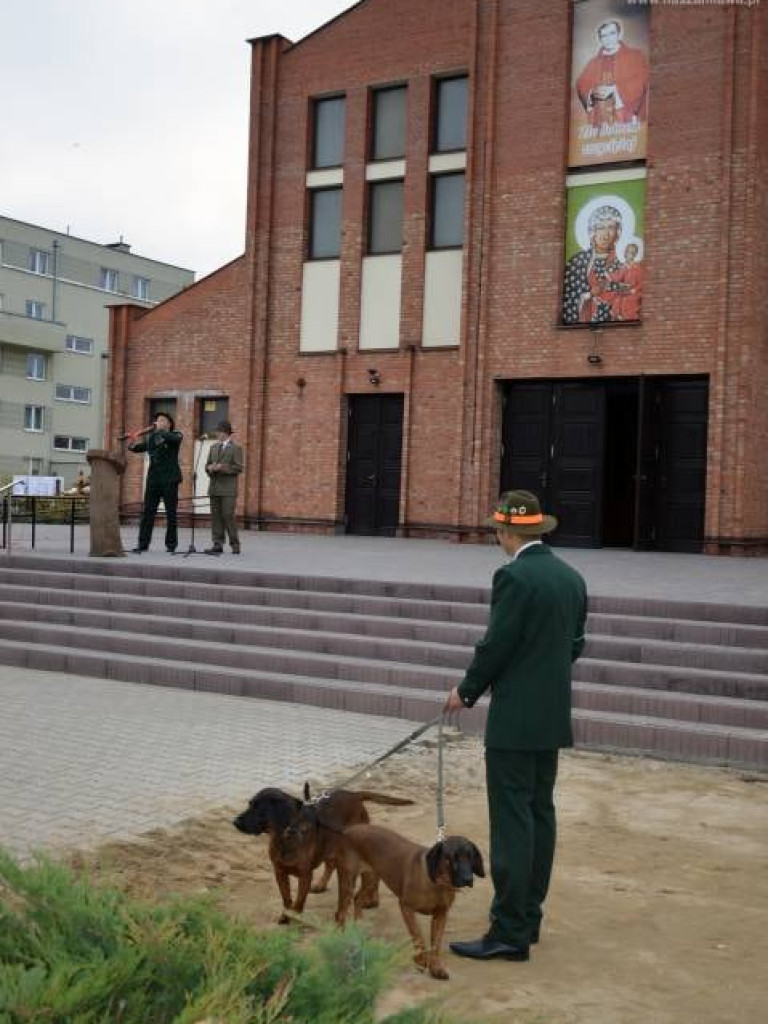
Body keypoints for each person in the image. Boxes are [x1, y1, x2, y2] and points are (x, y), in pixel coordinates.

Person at [445, 490, 588, 963]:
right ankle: (528, 916)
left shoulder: (513, 577)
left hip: (514, 719)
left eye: (497, 531)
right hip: (551, 715)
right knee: (540, 814)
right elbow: (575, 644)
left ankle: (508, 931)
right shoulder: (571, 577)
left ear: (506, 532)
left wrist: (466, 690)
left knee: (511, 823)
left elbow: (497, 644)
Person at [576, 19, 649, 129]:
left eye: (612, 33)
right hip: (601, 118)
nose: (608, 39)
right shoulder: (593, 62)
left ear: (619, 35)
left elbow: (642, 80)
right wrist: (593, 92)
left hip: (626, 117)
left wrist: (616, 89)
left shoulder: (636, 56)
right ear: (600, 39)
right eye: (604, 36)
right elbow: (581, 83)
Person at [127, 412, 183, 554]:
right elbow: (138, 448)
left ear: (169, 424)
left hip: (170, 480)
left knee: (171, 513)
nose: (159, 422)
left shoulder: (176, 435)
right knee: (148, 512)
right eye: (158, 420)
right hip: (153, 480)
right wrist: (132, 440)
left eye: (162, 420)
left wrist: (161, 431)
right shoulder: (152, 438)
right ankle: (142, 544)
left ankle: (171, 545)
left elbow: (175, 440)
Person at [563, 204, 626, 324]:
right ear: (593, 232)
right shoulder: (577, 262)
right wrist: (589, 294)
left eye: (611, 227)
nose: (606, 234)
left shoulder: (622, 266)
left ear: (617, 232)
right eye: (601, 228)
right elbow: (569, 298)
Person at [204, 420, 244, 555]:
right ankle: (217, 543)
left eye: (219, 432)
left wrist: (222, 467)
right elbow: (207, 465)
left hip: (228, 489)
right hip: (214, 488)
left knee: (228, 515)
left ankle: (235, 544)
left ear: (226, 433)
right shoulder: (213, 447)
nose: (217, 434)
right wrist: (210, 468)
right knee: (216, 517)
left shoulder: (236, 448)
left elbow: (238, 468)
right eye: (217, 432)